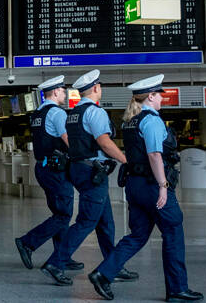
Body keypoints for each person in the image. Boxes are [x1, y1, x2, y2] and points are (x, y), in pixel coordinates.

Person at [87, 75, 203, 302]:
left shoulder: (129, 122)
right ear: (150, 96)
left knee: (138, 235)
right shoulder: (151, 120)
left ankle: (103, 273)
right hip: (152, 185)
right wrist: (163, 186)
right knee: (173, 231)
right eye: (159, 95)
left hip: (134, 186)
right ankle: (177, 289)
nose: (161, 99)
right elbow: (154, 154)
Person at [41, 69, 136, 286]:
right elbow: (104, 142)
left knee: (106, 223)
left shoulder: (73, 113)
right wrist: (125, 160)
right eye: (100, 86)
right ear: (95, 88)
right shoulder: (96, 112)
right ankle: (56, 262)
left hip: (79, 169)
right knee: (86, 221)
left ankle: (112, 266)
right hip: (93, 171)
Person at [15, 75, 83, 271]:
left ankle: (62, 255)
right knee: (63, 214)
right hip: (56, 170)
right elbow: (68, 140)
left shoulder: (37, 114)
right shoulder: (57, 113)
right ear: (55, 92)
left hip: (43, 168)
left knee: (59, 213)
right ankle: (28, 242)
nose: (65, 93)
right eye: (63, 90)